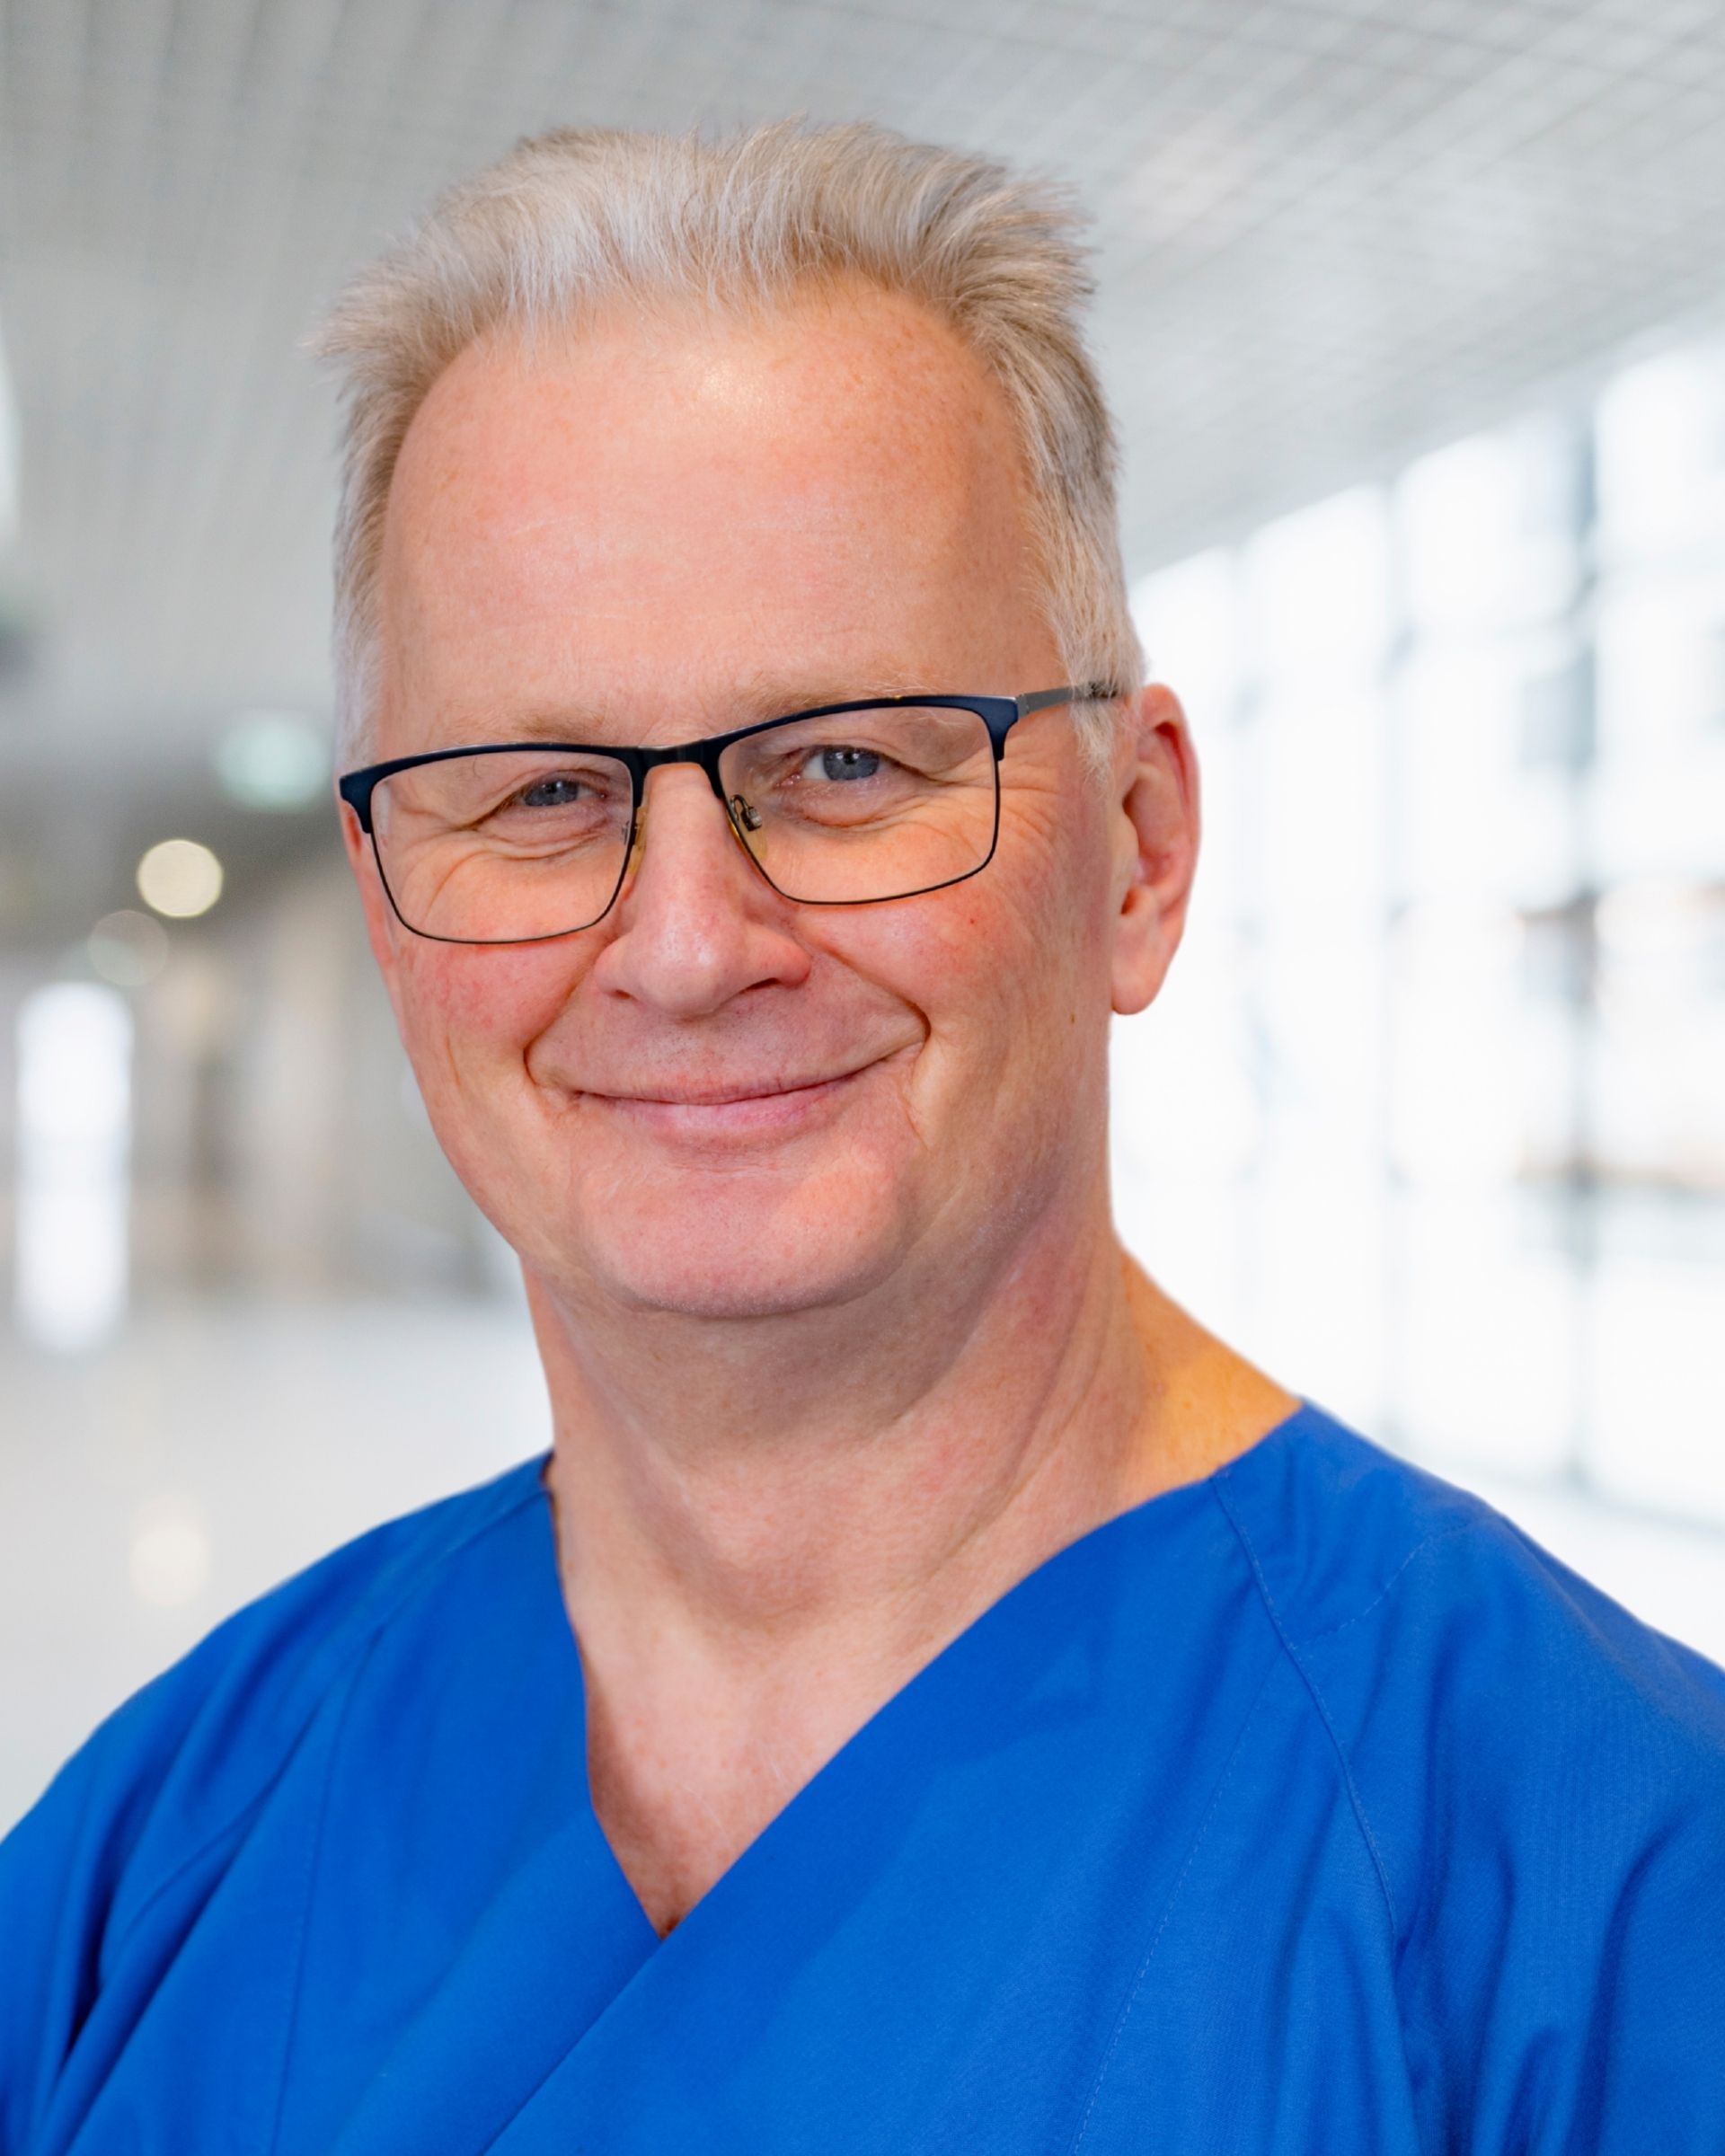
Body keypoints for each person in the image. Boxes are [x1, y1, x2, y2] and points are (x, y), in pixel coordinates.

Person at [3, 119, 1722, 2156]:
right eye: (539, 793)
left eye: (843, 764)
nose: (687, 946)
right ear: (390, 909)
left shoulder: (1601, 1903)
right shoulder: (162, 1848)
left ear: (1142, 847)